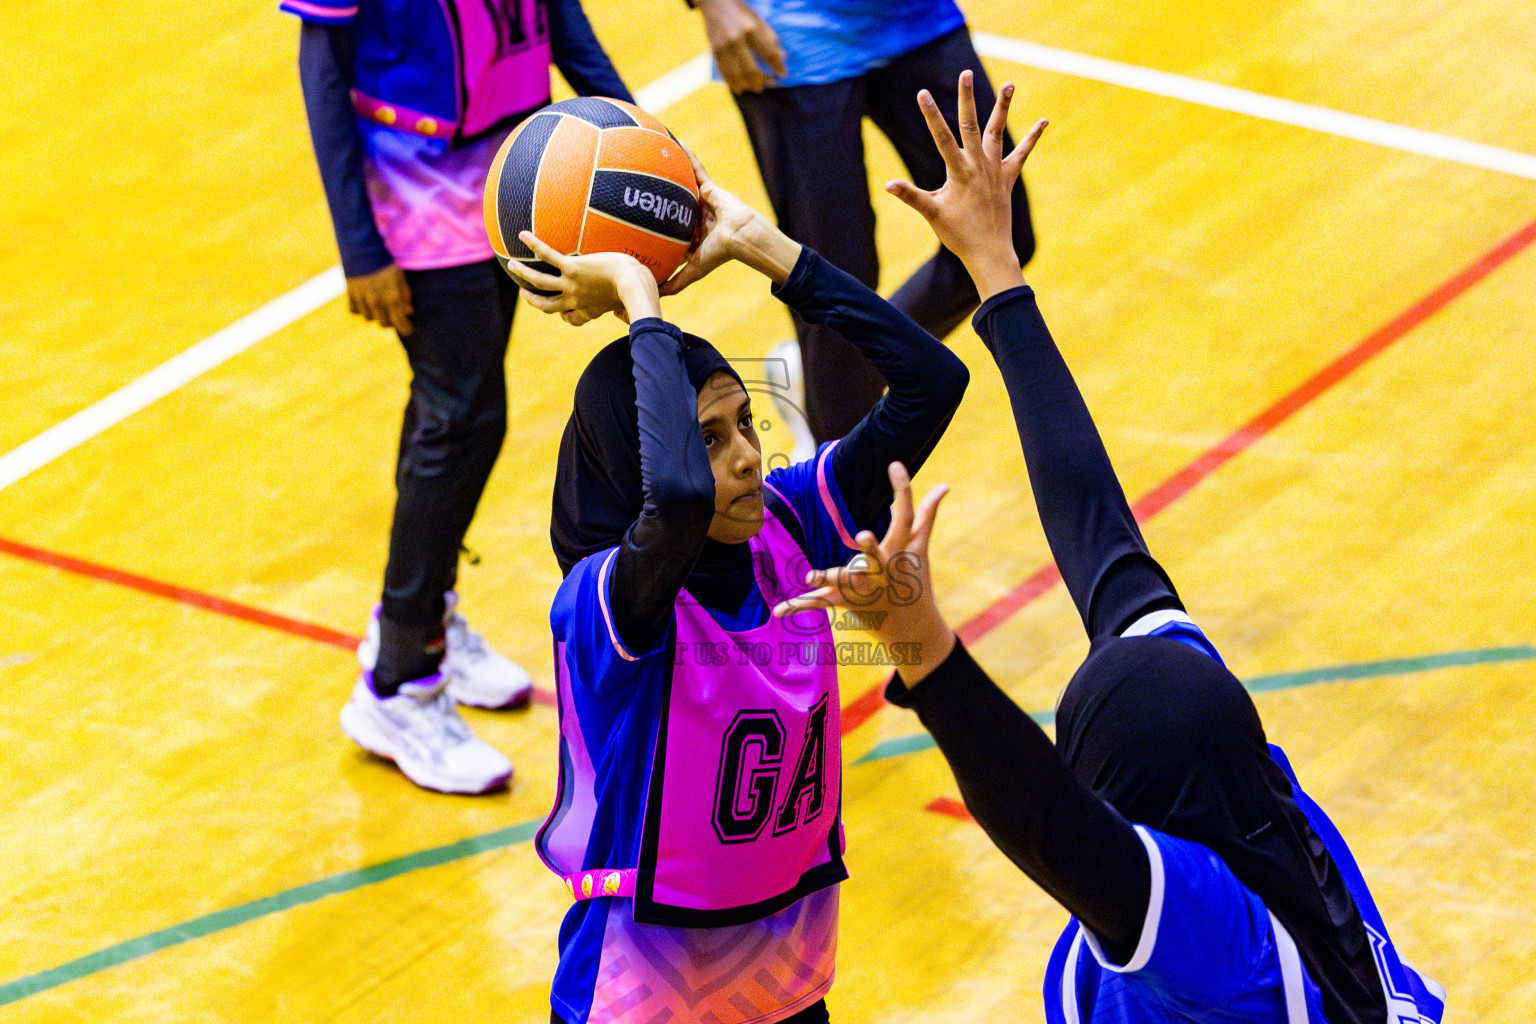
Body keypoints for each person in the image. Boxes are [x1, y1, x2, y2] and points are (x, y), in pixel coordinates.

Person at [776, 76, 1446, 1024]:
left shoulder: (1223, 943)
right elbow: (1096, 524)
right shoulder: (1250, 793)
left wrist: (925, 650)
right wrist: (996, 277)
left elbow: (1046, 819)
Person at [505, 157, 968, 1022]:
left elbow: (933, 383)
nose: (750, 455)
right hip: (640, 990)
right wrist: (640, 301)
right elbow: (674, 502)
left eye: (744, 422)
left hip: (785, 979)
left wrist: (768, 249)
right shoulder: (608, 602)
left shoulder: (788, 528)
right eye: (709, 439)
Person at [283, 0, 635, 793]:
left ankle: (424, 618)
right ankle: (399, 685)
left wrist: (642, 142)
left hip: (511, 172)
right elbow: (322, 68)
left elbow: (562, 19)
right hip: (413, 184)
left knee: (457, 411)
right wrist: (357, 246)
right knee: (462, 418)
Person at [688, 0, 1036, 456]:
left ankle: (827, 377)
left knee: (998, 234)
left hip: (916, 17)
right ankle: (836, 497)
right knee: (834, 287)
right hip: (789, 38)